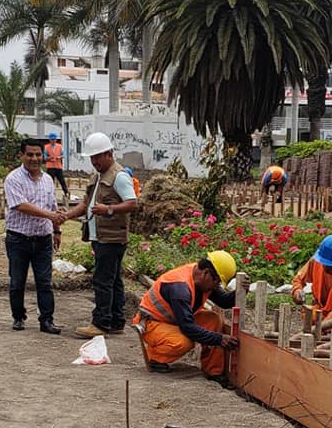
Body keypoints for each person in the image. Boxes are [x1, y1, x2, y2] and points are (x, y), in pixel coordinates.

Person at [63, 132, 138, 338]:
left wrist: (109, 209)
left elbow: (132, 203)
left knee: (103, 281)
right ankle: (116, 321)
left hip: (111, 238)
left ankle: (101, 323)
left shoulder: (119, 176)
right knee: (113, 281)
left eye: (97, 157)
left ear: (109, 154)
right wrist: (67, 215)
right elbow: (86, 203)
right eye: (92, 158)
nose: (94, 162)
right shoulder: (97, 176)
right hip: (101, 237)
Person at [134, 250, 239, 381]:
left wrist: (240, 291)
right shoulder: (180, 288)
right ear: (206, 273)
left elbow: (224, 301)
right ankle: (155, 358)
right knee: (183, 342)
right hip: (153, 323)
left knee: (212, 319)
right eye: (217, 282)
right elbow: (188, 328)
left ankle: (213, 372)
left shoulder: (201, 278)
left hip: (175, 319)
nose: (216, 287)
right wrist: (219, 339)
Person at [3, 137, 66, 334]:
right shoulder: (13, 179)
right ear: (21, 156)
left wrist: (56, 230)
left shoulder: (48, 180)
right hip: (18, 239)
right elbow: (20, 205)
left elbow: (52, 206)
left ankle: (46, 320)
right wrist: (50, 216)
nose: (34, 158)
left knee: (44, 282)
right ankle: (18, 317)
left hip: (43, 240)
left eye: (38, 154)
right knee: (17, 282)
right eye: (29, 154)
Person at [44, 133, 70, 205]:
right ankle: (50, 195)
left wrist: (59, 157)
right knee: (50, 182)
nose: (53, 141)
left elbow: (63, 155)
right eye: (52, 139)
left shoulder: (59, 146)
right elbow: (45, 157)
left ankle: (66, 193)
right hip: (50, 167)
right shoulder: (46, 147)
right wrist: (49, 158)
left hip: (58, 166)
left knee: (62, 180)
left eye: (54, 139)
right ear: (49, 140)